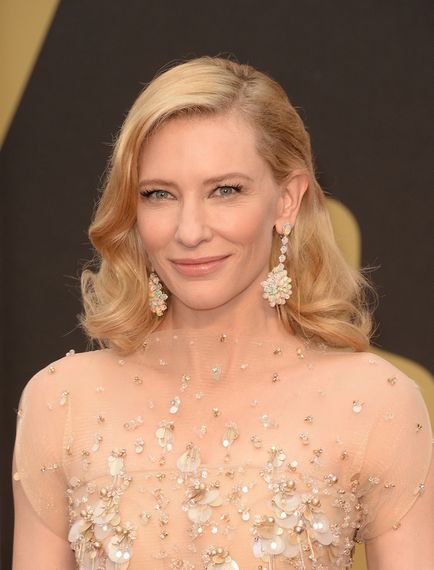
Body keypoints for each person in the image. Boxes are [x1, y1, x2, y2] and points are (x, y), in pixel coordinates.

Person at [12, 56, 433, 570]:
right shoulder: (61, 403)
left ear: (287, 200)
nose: (189, 231)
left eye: (225, 191)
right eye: (159, 194)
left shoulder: (373, 404)